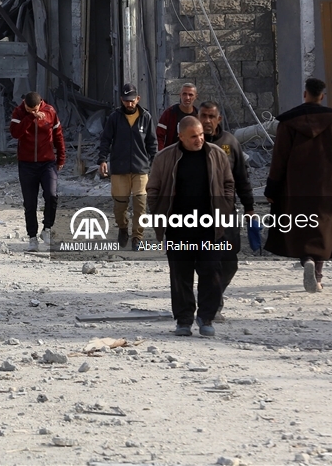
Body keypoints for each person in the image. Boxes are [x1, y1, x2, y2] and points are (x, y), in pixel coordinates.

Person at [264, 78, 332, 293]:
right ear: (321, 96)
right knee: (323, 230)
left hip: (295, 187)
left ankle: (306, 260)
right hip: (328, 188)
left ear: (305, 94)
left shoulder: (288, 124)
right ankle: (318, 275)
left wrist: (272, 188)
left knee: (302, 227)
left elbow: (279, 159)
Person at [146, 116, 234, 337]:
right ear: (181, 137)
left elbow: (228, 184)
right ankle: (184, 320)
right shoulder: (165, 158)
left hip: (210, 228)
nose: (199, 139)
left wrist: (225, 207)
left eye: (202, 135)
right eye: (194, 136)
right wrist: (158, 216)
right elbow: (153, 189)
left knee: (212, 271)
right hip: (179, 228)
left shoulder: (216, 154)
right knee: (180, 275)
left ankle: (206, 317)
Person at [198, 100, 254, 318]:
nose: (207, 121)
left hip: (226, 213)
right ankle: (211, 305)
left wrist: (249, 207)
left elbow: (242, 177)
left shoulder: (230, 142)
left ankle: (213, 296)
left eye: (212, 116)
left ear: (218, 119)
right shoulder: (191, 142)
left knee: (230, 262)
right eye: (204, 115)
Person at [98, 83, 158, 250]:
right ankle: (123, 229)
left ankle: (137, 237)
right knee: (120, 206)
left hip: (140, 168)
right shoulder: (114, 118)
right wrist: (102, 160)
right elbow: (105, 140)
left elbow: (152, 143)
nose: (129, 104)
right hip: (119, 169)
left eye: (132, 100)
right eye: (126, 101)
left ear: (137, 99)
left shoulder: (146, 117)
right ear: (121, 100)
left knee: (140, 203)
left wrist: (155, 164)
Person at [10, 91, 66, 251]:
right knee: (30, 203)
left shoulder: (50, 111)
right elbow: (15, 133)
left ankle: (47, 229)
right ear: (24, 104)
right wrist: (30, 118)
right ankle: (32, 237)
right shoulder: (19, 112)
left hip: (47, 162)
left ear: (40, 103)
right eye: (29, 109)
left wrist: (61, 157)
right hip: (26, 164)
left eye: (34, 110)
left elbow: (58, 135)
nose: (32, 112)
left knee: (52, 195)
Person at [156, 83, 198, 150]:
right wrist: (161, 154)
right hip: (172, 156)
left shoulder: (198, 115)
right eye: (184, 94)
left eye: (190, 95)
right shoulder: (169, 113)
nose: (187, 97)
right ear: (180, 95)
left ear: (196, 96)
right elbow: (159, 136)